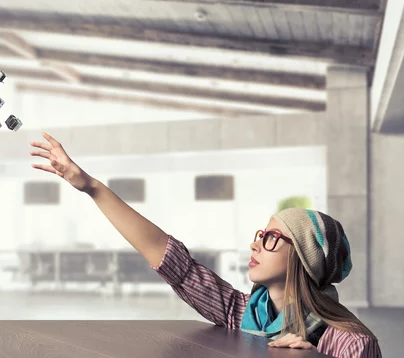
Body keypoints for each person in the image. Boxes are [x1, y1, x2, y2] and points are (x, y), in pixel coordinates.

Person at [29, 132, 382, 358]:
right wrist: (91, 187)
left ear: (306, 258)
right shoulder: (241, 314)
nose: (256, 245)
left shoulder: (352, 343)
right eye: (260, 235)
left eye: (272, 238)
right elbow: (175, 264)